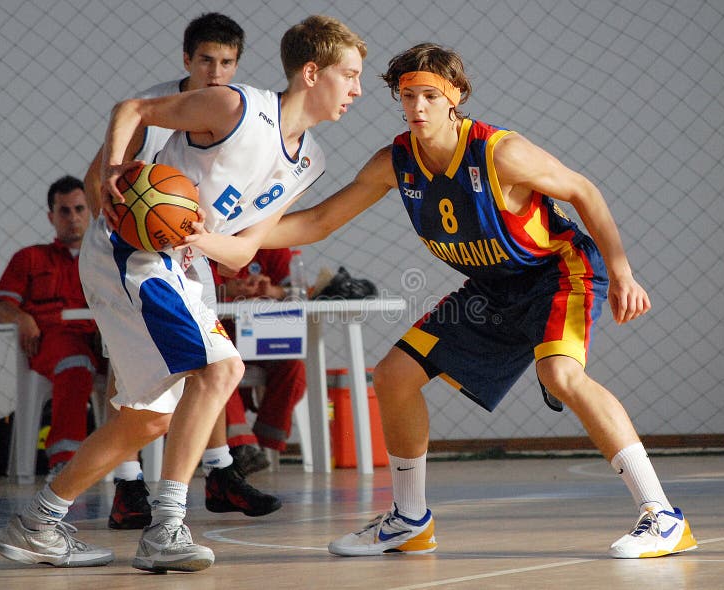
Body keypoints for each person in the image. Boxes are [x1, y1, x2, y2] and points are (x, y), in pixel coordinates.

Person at [260, 43, 697, 559]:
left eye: (429, 95)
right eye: (407, 96)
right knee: (394, 375)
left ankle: (663, 516)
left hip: (557, 272)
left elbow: (583, 191)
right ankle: (409, 520)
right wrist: (232, 235)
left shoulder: (499, 152)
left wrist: (622, 271)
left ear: (455, 97)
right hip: (491, 290)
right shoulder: (395, 162)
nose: (417, 107)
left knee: (562, 374)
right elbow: (317, 222)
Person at [0, 15, 365, 573]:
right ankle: (166, 526)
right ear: (312, 73)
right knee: (222, 370)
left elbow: (241, 251)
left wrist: (204, 238)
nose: (357, 90)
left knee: (147, 419)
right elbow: (133, 110)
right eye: (350, 75)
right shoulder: (235, 107)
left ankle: (40, 522)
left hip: (186, 264)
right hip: (133, 253)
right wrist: (118, 169)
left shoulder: (310, 161)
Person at [83, 11, 279, 532]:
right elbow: (93, 180)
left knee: (210, 364)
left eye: (228, 62)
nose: (217, 71)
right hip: (133, 256)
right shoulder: (154, 109)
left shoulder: (238, 114)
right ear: (186, 60)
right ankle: (128, 485)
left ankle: (217, 472)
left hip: (188, 254)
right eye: (207, 60)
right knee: (128, 370)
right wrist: (118, 219)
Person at [0, 175, 103, 480]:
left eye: (79, 209)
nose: (73, 218)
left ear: (89, 212)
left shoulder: (105, 259)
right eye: (64, 211)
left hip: (103, 343)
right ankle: (65, 461)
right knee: (75, 362)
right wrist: (23, 318)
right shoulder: (29, 258)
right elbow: (2, 309)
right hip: (53, 343)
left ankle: (131, 467)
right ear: (51, 216)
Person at [210, 248, 307, 470]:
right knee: (219, 366)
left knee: (292, 367)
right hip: (219, 335)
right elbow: (188, 291)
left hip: (264, 335)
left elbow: (299, 292)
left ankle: (265, 444)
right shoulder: (209, 242)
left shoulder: (274, 243)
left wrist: (273, 291)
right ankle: (241, 446)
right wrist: (224, 290)